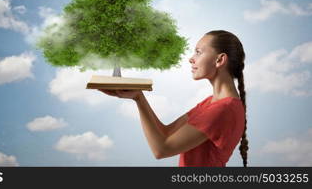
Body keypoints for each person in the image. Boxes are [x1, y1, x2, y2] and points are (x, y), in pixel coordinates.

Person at [98, 30, 248, 167]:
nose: (191, 59)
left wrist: (139, 97)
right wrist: (138, 97)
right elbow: (166, 132)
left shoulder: (222, 109)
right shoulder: (210, 103)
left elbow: (161, 149)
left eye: (198, 52)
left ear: (220, 60)